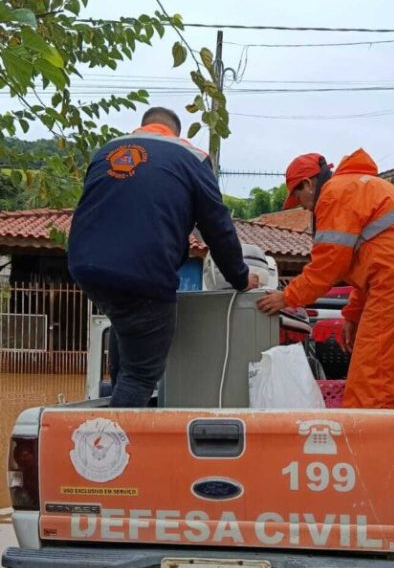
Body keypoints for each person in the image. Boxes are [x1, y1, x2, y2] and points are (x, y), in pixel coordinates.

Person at [69, 107, 258, 407]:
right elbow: (217, 226)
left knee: (128, 328)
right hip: (145, 271)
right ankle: (112, 448)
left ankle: (119, 399)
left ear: (144, 127)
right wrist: (241, 276)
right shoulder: (192, 158)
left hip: (86, 265)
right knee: (142, 375)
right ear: (175, 132)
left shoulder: (106, 151)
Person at [257, 149, 394, 409]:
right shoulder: (358, 187)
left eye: (298, 195)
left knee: (373, 373)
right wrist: (353, 315)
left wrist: (286, 297)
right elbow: (368, 260)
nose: (302, 205)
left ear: (309, 184)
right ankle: (388, 425)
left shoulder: (334, 195)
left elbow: (328, 265)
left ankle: (365, 438)